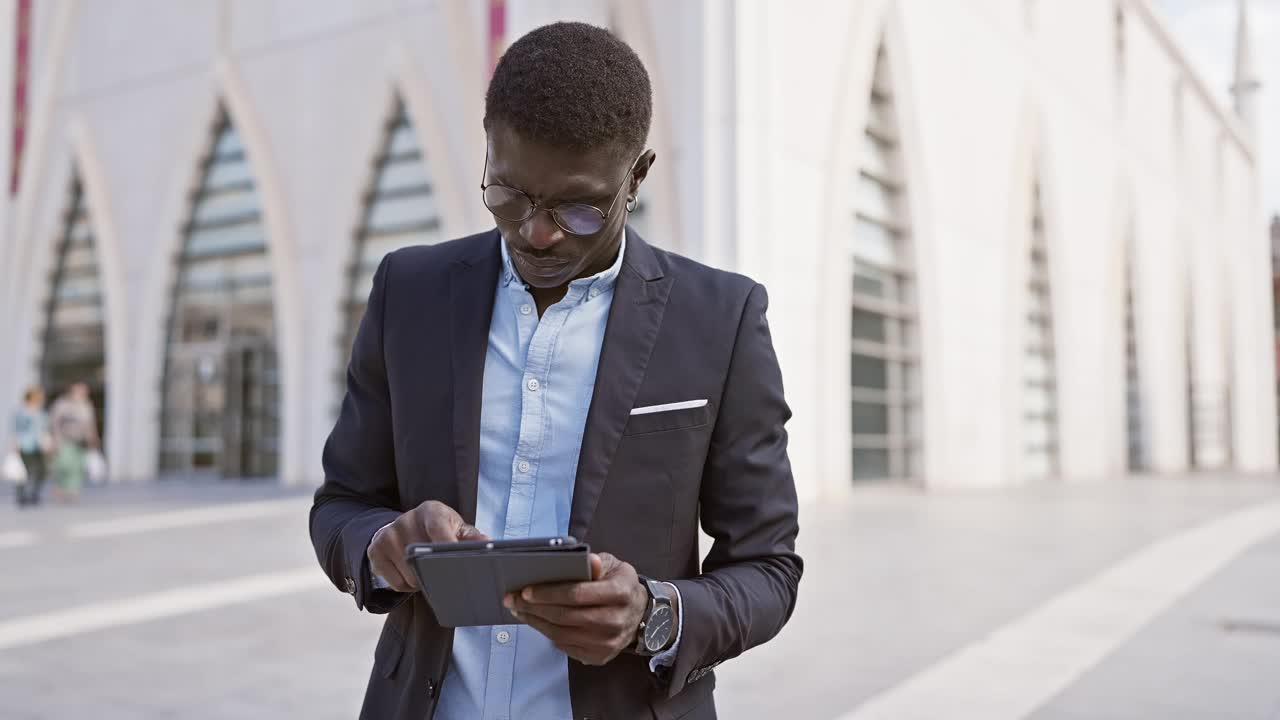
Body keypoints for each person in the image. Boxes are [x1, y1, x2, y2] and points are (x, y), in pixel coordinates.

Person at [311, 22, 801, 720]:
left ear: (637, 176)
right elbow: (340, 507)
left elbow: (769, 568)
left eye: (577, 207)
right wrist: (378, 546)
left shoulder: (721, 318)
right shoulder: (408, 293)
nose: (537, 232)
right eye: (508, 194)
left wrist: (653, 616)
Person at [48, 382, 98, 503]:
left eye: (84, 391)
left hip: (81, 441)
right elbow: (54, 422)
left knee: (78, 467)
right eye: (80, 391)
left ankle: (72, 491)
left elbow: (90, 424)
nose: (83, 393)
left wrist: (93, 439)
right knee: (64, 465)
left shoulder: (86, 406)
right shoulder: (62, 404)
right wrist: (55, 439)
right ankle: (60, 488)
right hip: (64, 439)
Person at [11, 386, 49, 506]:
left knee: (42, 471)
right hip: (25, 445)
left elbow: (44, 430)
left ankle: (34, 494)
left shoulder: (41, 412)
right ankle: (22, 495)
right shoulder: (22, 413)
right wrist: (15, 444)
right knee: (24, 471)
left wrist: (47, 442)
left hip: (39, 446)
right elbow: (17, 430)